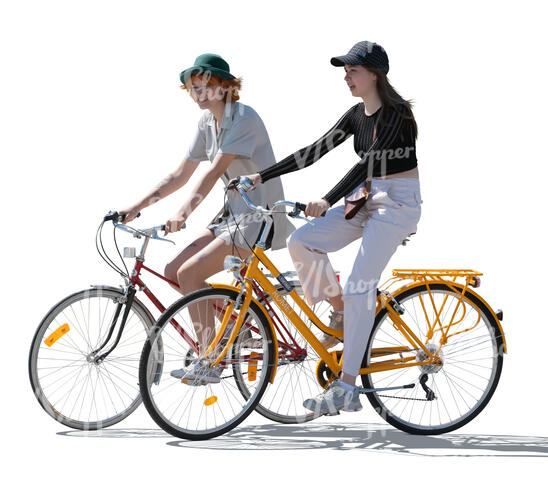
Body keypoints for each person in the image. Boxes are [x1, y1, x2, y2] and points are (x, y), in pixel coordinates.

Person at [234, 41, 422, 415]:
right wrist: (260, 175)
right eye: (345, 71)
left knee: (359, 288)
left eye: (353, 70)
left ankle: (347, 388)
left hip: (397, 203)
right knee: (302, 241)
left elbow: (367, 165)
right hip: (366, 196)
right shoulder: (357, 114)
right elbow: (314, 150)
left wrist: (327, 198)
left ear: (375, 74)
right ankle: (339, 311)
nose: (346, 76)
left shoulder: (397, 115)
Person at [118, 53, 295, 383]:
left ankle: (209, 358)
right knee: (175, 272)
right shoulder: (206, 124)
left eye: (206, 86)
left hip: (259, 216)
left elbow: (213, 173)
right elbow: (181, 174)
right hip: (232, 215)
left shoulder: (244, 118)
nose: (198, 93)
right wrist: (135, 207)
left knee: (191, 273)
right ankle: (234, 326)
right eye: (193, 88)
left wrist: (182, 214)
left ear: (225, 87)